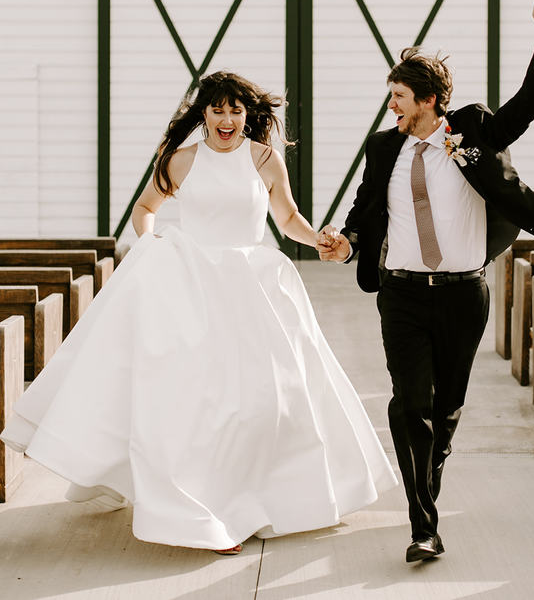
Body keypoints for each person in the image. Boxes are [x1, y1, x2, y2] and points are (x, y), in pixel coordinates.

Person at [1, 71, 396, 553]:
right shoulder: (181, 161)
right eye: (218, 110)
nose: (227, 119)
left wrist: (320, 240)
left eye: (236, 110)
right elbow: (145, 208)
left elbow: (288, 219)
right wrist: (153, 245)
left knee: (262, 402)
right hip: (190, 286)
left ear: (248, 115)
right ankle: (206, 515)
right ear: (203, 113)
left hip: (253, 287)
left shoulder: (265, 160)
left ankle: (258, 501)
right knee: (198, 406)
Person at [318, 0, 534, 564]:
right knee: (408, 403)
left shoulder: (471, 131)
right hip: (400, 292)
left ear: (427, 101)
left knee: (445, 410)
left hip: (462, 294)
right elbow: (364, 211)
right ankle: (424, 524)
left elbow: (527, 107)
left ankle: (427, 483)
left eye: (398, 96)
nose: (390, 104)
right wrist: (345, 242)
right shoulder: (383, 148)